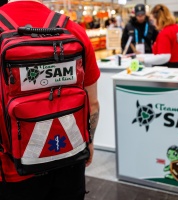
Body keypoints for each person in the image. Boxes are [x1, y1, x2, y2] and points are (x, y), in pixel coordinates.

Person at [0, 0, 100, 200]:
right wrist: (89, 142)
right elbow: (93, 103)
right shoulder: (73, 30)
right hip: (70, 158)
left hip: (14, 170)